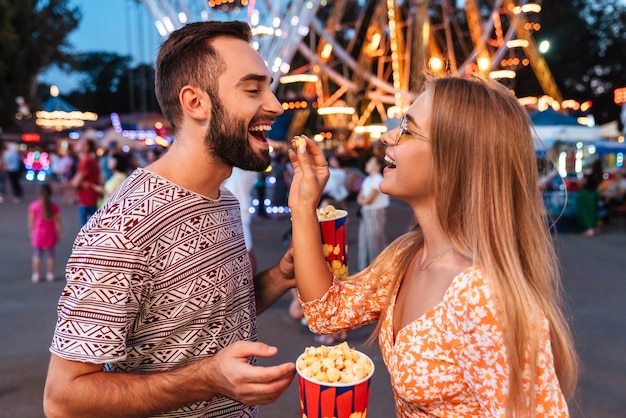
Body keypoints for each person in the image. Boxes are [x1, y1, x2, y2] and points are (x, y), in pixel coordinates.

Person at [43, 21, 296, 418]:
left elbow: (211, 318)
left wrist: (281, 275)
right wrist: (208, 378)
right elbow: (63, 398)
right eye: (253, 89)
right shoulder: (124, 229)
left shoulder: (223, 200)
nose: (276, 105)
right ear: (195, 102)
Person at [287, 75, 578, 417]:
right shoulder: (407, 255)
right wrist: (303, 206)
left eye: (407, 129)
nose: (386, 136)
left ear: (455, 158)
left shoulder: (483, 296)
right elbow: (327, 313)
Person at [356, 155, 389, 271]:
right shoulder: (368, 179)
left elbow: (368, 200)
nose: (367, 164)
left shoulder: (378, 179)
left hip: (375, 213)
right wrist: (363, 201)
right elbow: (360, 198)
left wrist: (363, 201)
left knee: (375, 242)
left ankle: (379, 269)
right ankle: (366, 270)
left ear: (377, 166)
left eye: (370, 162)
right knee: (364, 242)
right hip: (366, 213)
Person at [28, 183, 62, 283]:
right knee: (50, 254)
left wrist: (31, 232)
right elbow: (57, 222)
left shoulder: (33, 206)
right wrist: (59, 233)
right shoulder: (54, 207)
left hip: (38, 233)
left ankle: (36, 274)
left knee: (37, 254)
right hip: (50, 233)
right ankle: (50, 274)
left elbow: (31, 222)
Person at [71, 137, 101, 225]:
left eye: (81, 142)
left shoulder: (86, 161)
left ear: (87, 147)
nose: (78, 143)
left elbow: (75, 183)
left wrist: (79, 183)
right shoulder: (88, 160)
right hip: (89, 198)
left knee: (87, 229)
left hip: (87, 199)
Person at [576, 158, 604, 236]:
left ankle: (589, 228)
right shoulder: (600, 174)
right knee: (593, 211)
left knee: (586, 213)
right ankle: (594, 227)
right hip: (593, 194)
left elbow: (582, 183)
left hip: (586, 194)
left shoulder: (589, 174)